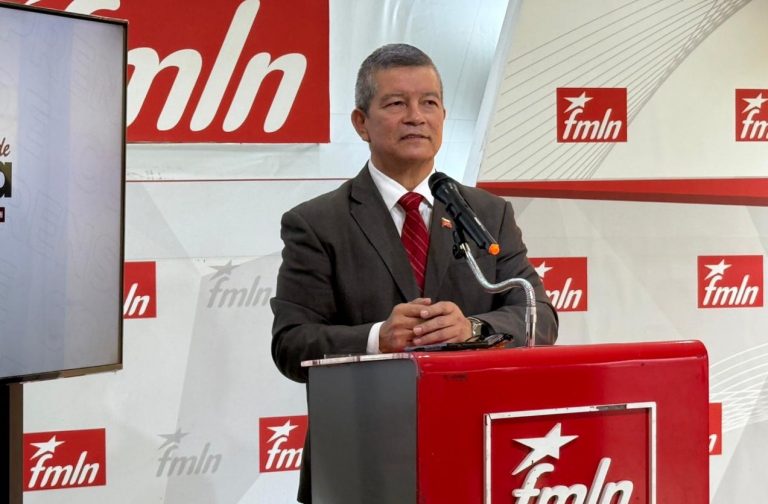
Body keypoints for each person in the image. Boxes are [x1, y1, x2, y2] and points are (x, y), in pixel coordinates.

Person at [270, 43, 558, 503]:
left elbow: (539, 316)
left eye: (429, 103)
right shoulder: (316, 223)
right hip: (360, 461)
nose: (416, 117)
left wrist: (474, 329)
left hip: (476, 454)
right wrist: (376, 339)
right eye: (395, 104)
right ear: (361, 123)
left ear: (443, 116)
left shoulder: (487, 213)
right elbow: (291, 344)